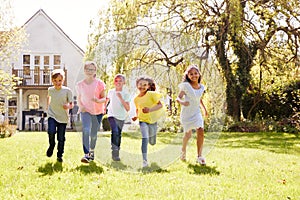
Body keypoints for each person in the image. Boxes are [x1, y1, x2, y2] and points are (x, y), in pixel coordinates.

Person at [176, 65, 208, 165]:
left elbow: (199, 99)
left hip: (196, 112)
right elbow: (178, 98)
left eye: (195, 73)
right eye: (191, 74)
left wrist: (204, 109)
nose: (194, 75)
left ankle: (199, 156)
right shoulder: (185, 86)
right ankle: (183, 151)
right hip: (186, 114)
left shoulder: (201, 87)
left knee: (201, 130)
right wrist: (182, 103)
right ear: (188, 76)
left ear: (199, 74)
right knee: (188, 135)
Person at [76, 61, 106, 163]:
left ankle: (92, 151)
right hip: (85, 111)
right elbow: (79, 98)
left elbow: (104, 98)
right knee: (86, 130)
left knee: (93, 134)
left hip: (98, 111)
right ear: (84, 71)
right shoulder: (80, 84)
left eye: (92, 69)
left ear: (95, 71)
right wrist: (81, 107)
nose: (90, 71)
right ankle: (86, 154)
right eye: (88, 69)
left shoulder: (100, 83)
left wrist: (98, 101)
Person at [132, 76, 163, 168]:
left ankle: (151, 138)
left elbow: (160, 105)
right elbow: (138, 109)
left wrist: (150, 109)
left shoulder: (151, 94)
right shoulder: (136, 99)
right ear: (137, 85)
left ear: (148, 86)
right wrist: (136, 117)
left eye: (145, 85)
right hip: (142, 121)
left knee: (152, 142)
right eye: (140, 84)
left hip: (152, 121)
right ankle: (145, 161)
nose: (142, 86)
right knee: (144, 138)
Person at [46, 69, 73, 162]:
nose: (57, 83)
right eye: (55, 81)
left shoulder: (67, 91)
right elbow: (49, 99)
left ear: (63, 80)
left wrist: (68, 106)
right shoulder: (50, 90)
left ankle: (59, 155)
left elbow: (71, 104)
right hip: (52, 115)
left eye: (59, 80)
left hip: (63, 117)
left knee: (61, 138)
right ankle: (51, 145)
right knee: (51, 131)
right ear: (52, 81)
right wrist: (48, 109)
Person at [106, 74, 130, 161]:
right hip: (111, 115)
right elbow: (106, 100)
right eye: (116, 80)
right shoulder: (111, 91)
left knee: (118, 135)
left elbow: (127, 108)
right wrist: (103, 108)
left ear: (124, 82)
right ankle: (114, 153)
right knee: (115, 132)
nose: (118, 82)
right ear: (114, 82)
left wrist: (120, 98)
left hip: (121, 117)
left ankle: (117, 153)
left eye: (120, 81)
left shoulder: (126, 93)